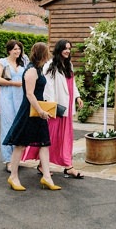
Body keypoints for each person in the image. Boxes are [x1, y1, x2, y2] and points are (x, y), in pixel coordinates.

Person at [3, 42, 60, 191]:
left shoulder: (39, 69)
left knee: (44, 144)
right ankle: (13, 176)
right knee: (20, 144)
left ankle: (47, 177)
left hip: (38, 111)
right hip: (30, 112)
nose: (49, 55)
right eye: (47, 52)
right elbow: (29, 94)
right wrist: (40, 111)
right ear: (42, 53)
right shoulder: (31, 71)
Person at [23, 40, 85, 179]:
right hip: (56, 107)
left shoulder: (69, 64)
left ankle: (68, 166)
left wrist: (78, 97)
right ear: (59, 49)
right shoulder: (50, 65)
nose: (68, 51)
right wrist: (51, 106)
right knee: (51, 137)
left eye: (69, 48)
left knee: (66, 138)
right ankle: (42, 164)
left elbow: (72, 83)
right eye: (65, 48)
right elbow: (47, 86)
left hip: (67, 107)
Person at [0, 40, 27, 171]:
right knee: (8, 126)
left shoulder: (23, 62)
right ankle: (8, 159)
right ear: (9, 50)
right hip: (7, 96)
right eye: (14, 49)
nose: (17, 51)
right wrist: (14, 83)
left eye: (19, 49)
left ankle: (17, 157)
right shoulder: (3, 62)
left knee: (20, 126)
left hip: (21, 97)